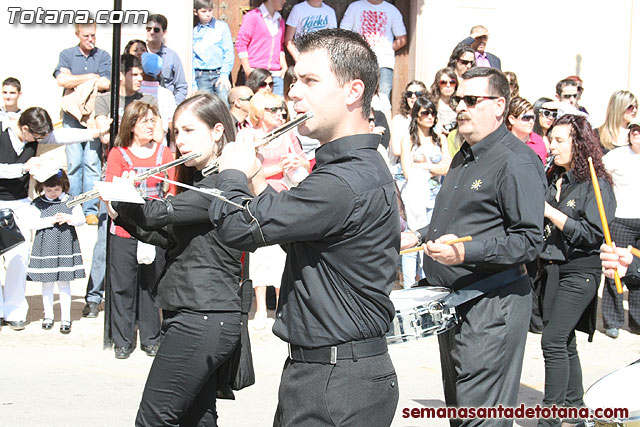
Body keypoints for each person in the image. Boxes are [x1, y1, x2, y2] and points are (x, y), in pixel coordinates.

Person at [209, 28, 400, 426]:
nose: (294, 92)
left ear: (353, 92)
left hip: (335, 381)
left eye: (310, 81)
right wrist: (257, 176)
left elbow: (237, 227)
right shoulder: (351, 168)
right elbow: (302, 236)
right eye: (294, 79)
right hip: (334, 375)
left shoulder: (341, 182)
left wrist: (231, 173)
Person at [402, 67, 544, 426]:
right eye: (456, 100)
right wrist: (419, 235)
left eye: (470, 100)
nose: (459, 107)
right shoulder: (464, 154)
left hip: (492, 304)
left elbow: (529, 241)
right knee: (463, 413)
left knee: (481, 417)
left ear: (499, 106)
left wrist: (466, 252)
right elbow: (462, 219)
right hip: (456, 301)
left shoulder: (517, 161)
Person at [108, 93, 243, 426]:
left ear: (216, 131)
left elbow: (157, 214)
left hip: (202, 317)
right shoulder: (197, 183)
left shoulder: (219, 186)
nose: (180, 142)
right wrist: (121, 214)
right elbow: (166, 237)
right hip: (194, 314)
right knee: (197, 419)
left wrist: (124, 196)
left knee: (154, 419)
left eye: (188, 131)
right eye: (176, 133)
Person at [536, 114, 616, 427]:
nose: (551, 145)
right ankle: (575, 410)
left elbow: (593, 234)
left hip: (581, 269)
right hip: (551, 266)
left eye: (559, 140)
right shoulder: (553, 177)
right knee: (564, 340)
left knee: (552, 340)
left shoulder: (594, 183)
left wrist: (550, 213)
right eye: (550, 139)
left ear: (578, 143)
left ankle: (551, 417)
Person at [1, 107, 106, 329]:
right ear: (24, 128)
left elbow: (63, 136)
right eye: (38, 137)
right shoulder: (3, 132)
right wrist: (22, 167)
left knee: (18, 258)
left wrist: (94, 133)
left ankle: (14, 310)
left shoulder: (36, 135)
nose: (41, 141)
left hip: (19, 202)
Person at [105, 101, 175, 359]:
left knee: (151, 286)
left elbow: (172, 190)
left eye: (153, 120)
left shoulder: (164, 153)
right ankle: (122, 339)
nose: (150, 125)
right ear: (131, 124)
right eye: (144, 120)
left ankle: (151, 338)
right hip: (124, 231)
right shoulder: (118, 154)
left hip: (154, 230)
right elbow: (111, 193)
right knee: (123, 285)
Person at [239, 91, 310, 328]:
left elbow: (305, 163)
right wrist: (276, 167)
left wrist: (297, 163)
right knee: (259, 254)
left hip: (283, 197)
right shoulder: (249, 135)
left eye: (281, 109)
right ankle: (259, 308)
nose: (280, 113)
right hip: (257, 200)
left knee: (281, 254)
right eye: (273, 109)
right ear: (259, 112)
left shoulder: (288, 134)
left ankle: (281, 305)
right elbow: (244, 170)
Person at [54, 22, 111, 225]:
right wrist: (91, 77)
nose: (91, 39)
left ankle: (90, 209)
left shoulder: (103, 55)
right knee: (74, 163)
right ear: (78, 34)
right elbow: (61, 80)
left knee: (92, 163)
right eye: (86, 36)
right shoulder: (67, 54)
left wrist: (75, 79)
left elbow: (106, 83)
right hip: (71, 116)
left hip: (94, 116)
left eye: (93, 35)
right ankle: (73, 207)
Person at [26, 169, 85, 334]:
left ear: (63, 186)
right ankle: (48, 316)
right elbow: (32, 222)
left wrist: (69, 219)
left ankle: (66, 318)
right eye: (48, 190)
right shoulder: (38, 203)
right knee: (47, 281)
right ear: (42, 188)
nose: (52, 193)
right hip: (46, 245)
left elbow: (81, 220)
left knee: (64, 281)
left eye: (56, 189)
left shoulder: (71, 201)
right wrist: (50, 220)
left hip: (65, 244)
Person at [400, 96, 449, 289]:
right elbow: (407, 170)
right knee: (412, 240)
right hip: (415, 196)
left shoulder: (440, 138)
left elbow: (448, 166)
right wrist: (434, 166)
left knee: (433, 238)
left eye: (433, 113)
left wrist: (425, 165)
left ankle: (432, 283)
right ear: (416, 116)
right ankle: (409, 287)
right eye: (425, 113)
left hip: (435, 193)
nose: (430, 117)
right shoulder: (409, 139)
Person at [601, 118, 640, 338]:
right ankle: (612, 320)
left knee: (639, 271)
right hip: (620, 219)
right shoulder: (616, 156)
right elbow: (597, 175)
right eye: (634, 129)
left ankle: (637, 320)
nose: (637, 133)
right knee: (614, 268)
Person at [340, 0, 407, 101]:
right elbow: (343, 33)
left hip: (383, 63)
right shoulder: (355, 7)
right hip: (358, 62)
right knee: (357, 97)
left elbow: (402, 40)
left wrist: (386, 48)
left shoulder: (392, 10)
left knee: (382, 100)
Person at [235, 0, 288, 97]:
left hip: (275, 74)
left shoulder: (280, 21)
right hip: (256, 72)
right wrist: (247, 70)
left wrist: (284, 66)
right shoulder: (252, 17)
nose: (284, 1)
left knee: (277, 107)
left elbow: (279, 46)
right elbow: (241, 43)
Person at [192, 0, 234, 103]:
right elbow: (192, 57)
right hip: (201, 75)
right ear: (195, 12)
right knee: (206, 106)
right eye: (204, 11)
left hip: (219, 73)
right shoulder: (193, 31)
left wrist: (224, 74)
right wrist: (193, 83)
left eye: (210, 10)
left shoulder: (221, 27)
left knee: (224, 104)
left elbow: (228, 52)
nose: (208, 14)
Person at [146, 14, 188, 104]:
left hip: (165, 105)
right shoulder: (139, 53)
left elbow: (181, 86)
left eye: (156, 30)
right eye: (148, 29)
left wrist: (174, 106)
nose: (151, 32)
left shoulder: (172, 56)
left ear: (164, 32)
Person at [506, 96, 547, 163]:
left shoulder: (538, 141)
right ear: (512, 119)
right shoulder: (502, 141)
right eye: (526, 118)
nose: (531, 122)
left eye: (533, 118)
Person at [429, 68, 458, 135]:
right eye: (443, 82)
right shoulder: (431, 104)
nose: (448, 85)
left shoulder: (460, 104)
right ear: (438, 84)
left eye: (452, 82)